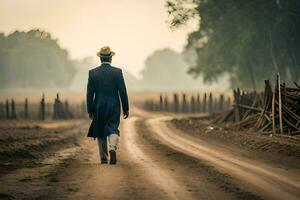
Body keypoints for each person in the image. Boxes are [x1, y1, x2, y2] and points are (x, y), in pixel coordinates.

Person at [86, 46, 129, 165]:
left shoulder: (93, 73)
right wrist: (126, 108)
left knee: (100, 131)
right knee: (113, 128)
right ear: (111, 58)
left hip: (98, 106)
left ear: (100, 58)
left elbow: (90, 93)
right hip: (114, 106)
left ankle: (104, 158)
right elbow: (123, 92)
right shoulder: (117, 72)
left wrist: (90, 110)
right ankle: (112, 147)